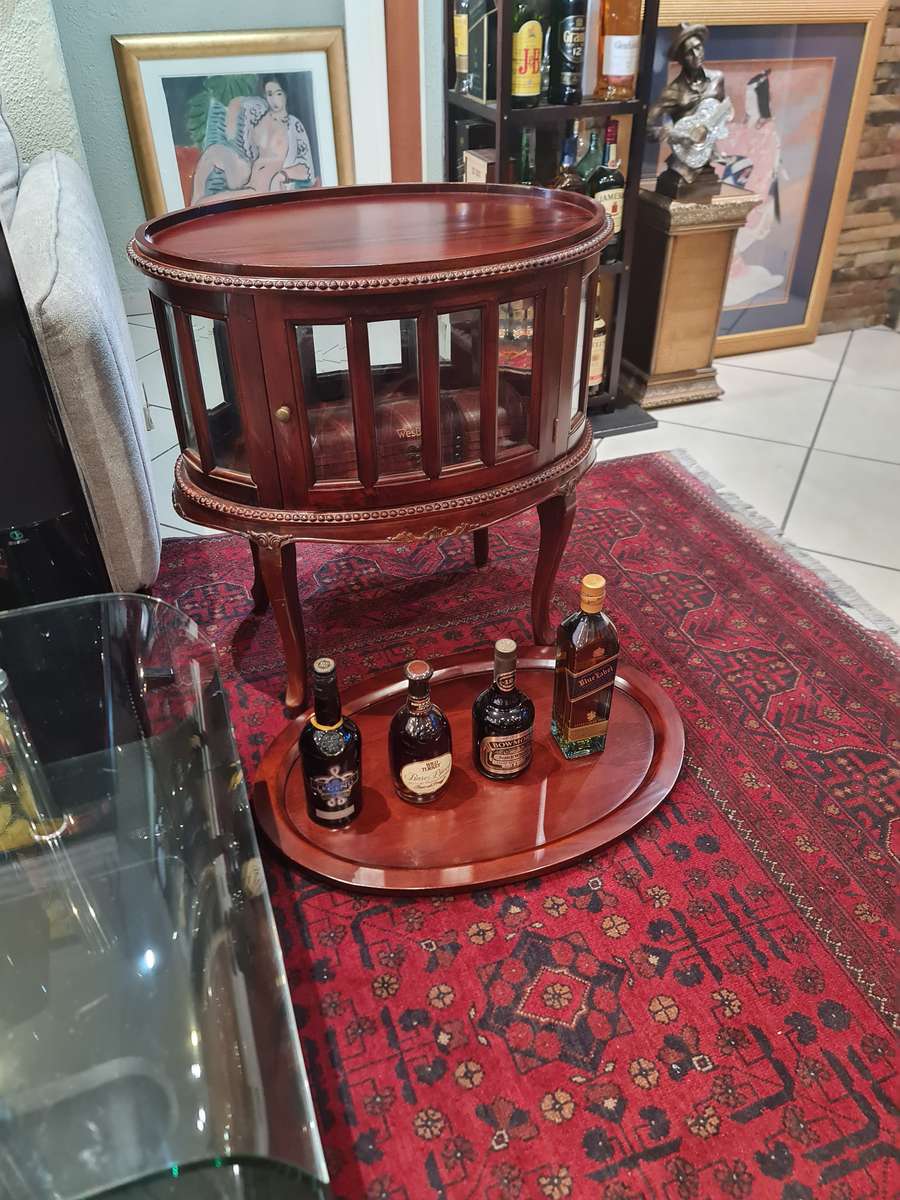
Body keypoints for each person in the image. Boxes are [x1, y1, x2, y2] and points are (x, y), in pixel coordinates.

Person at [190, 77, 315, 205]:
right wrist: (232, 116)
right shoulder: (261, 113)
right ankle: (193, 201)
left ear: (285, 94)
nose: (274, 100)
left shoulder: (293, 125)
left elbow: (306, 169)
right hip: (246, 173)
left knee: (204, 203)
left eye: (278, 93)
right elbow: (238, 102)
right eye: (269, 94)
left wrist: (282, 175)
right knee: (212, 152)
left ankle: (194, 207)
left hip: (262, 189)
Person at [648, 22, 732, 197]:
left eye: (698, 48)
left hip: (708, 154)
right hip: (683, 161)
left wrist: (717, 124)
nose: (696, 55)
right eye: (689, 52)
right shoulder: (672, 91)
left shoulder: (717, 79)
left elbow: (723, 110)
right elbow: (646, 127)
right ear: (680, 58)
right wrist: (671, 134)